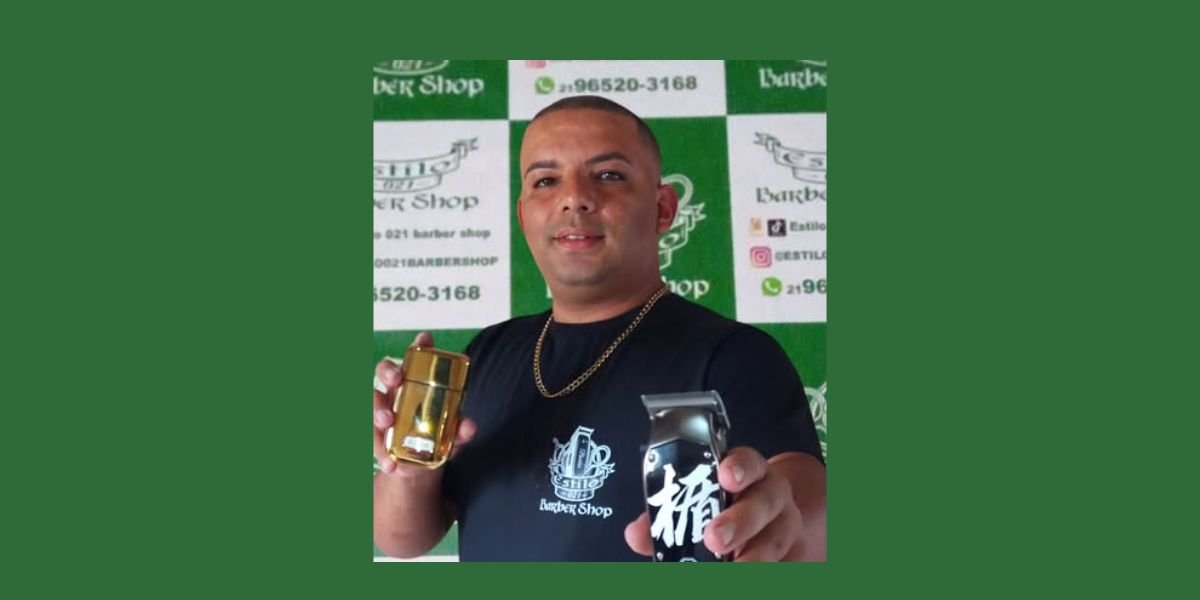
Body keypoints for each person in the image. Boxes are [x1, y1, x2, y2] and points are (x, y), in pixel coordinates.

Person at [373, 96, 826, 562]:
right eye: (546, 181)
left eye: (608, 175)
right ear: (524, 216)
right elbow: (400, 539)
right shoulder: (489, 350)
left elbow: (804, 514)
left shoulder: (736, 355)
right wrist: (408, 469)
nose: (574, 197)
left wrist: (783, 523)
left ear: (663, 209)